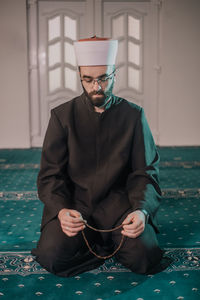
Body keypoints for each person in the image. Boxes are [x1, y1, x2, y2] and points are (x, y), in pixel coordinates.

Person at [31, 36, 163, 277]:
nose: (96, 87)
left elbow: (145, 172)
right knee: (51, 256)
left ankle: (103, 244)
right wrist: (61, 211)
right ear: (80, 76)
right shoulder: (62, 116)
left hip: (121, 207)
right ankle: (102, 244)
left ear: (115, 74)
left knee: (144, 257)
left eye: (103, 78)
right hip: (76, 207)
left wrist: (141, 211)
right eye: (89, 80)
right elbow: (50, 175)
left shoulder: (133, 115)